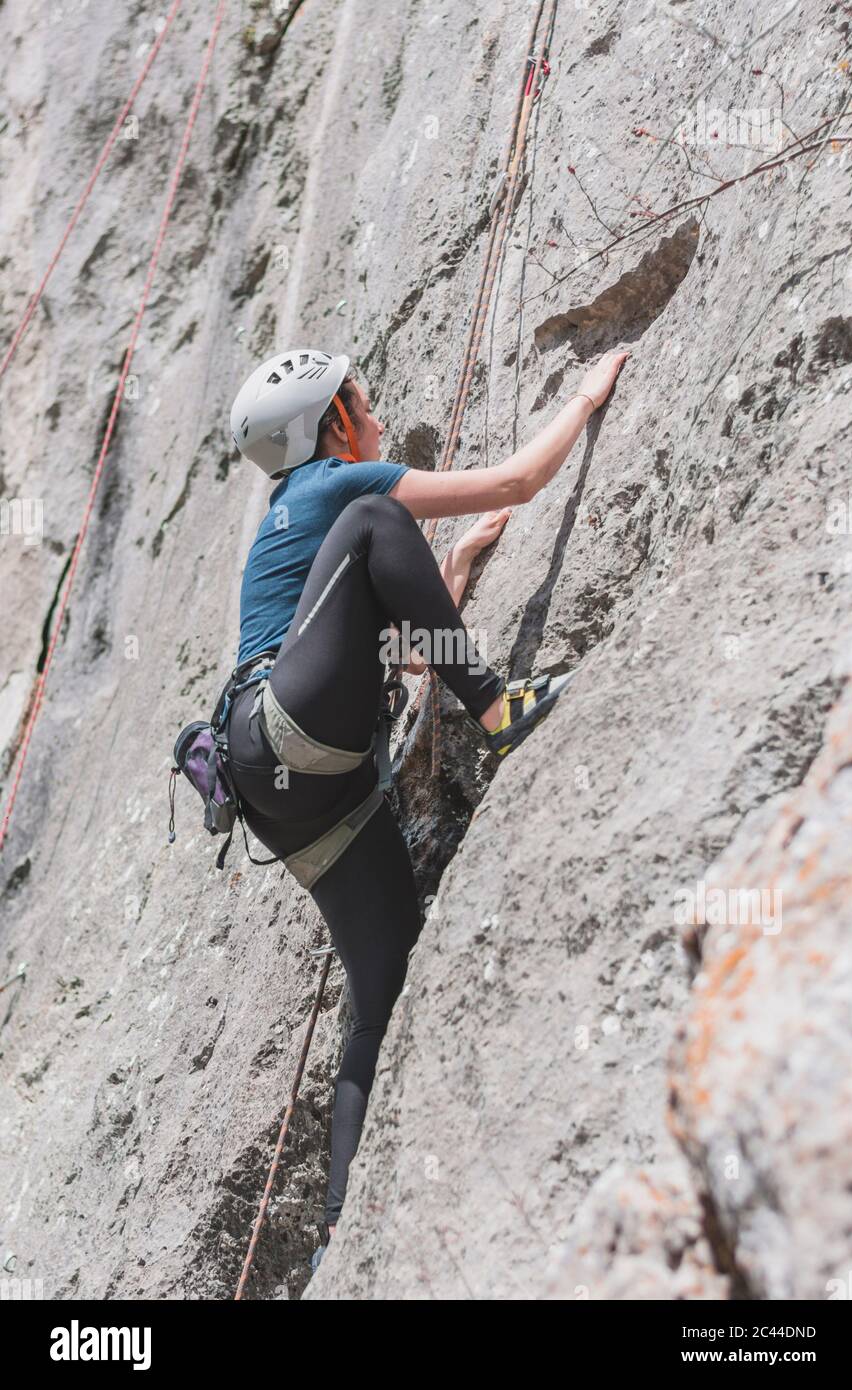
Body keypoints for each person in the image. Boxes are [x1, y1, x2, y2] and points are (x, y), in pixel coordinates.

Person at [224, 345, 629, 1272]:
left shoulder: (291, 529)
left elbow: (395, 653)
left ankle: (338, 1226)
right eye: (361, 401)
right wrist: (583, 395)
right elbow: (523, 478)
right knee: (378, 515)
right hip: (291, 734)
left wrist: (456, 562)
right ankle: (498, 710)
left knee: (383, 986)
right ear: (332, 422)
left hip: (288, 791)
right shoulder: (335, 487)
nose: (373, 415)